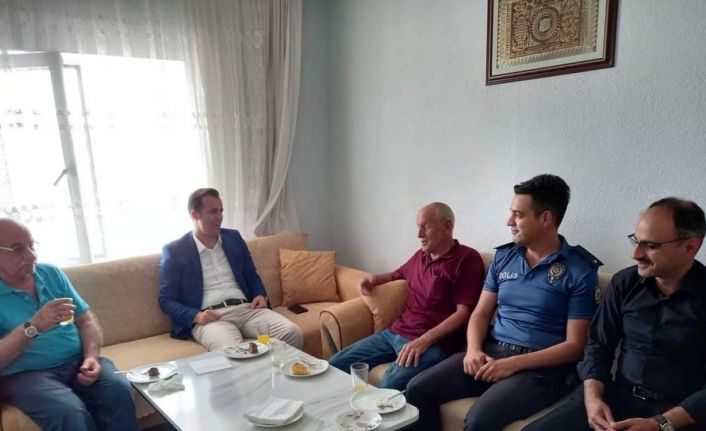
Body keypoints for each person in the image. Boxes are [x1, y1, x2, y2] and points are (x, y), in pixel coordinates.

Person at [406, 174, 601, 431]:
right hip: (492, 352)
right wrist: (473, 350)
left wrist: (512, 364)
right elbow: (480, 313)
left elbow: (575, 346)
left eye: (518, 215)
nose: (509, 221)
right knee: (417, 389)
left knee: (479, 419)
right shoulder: (504, 258)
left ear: (545, 218)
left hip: (539, 368)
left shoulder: (580, 270)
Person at [523, 198, 706, 431]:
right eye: (635, 241)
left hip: (679, 413)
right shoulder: (624, 283)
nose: (635, 254)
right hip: (616, 397)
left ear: (690, 246)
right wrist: (593, 398)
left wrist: (661, 424)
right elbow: (598, 345)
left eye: (650, 246)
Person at [328, 202, 486, 390]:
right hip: (395, 333)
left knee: (389, 384)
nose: (419, 234)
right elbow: (397, 274)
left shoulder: (467, 259)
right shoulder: (421, 255)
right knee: (335, 364)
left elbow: (463, 313)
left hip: (434, 344)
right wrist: (373, 279)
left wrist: (424, 340)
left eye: (425, 227)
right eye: (418, 227)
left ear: (447, 226)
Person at [0, 218, 138, 431]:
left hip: (77, 360)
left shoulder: (51, 274)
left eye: (32, 245)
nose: (32, 256)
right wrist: (34, 326)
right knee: (71, 414)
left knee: (118, 389)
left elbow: (86, 319)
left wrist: (91, 357)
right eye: (18, 249)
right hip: (27, 374)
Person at [159, 188, 302, 350]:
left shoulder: (233, 238)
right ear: (195, 215)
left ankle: (275, 367)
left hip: (247, 310)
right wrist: (196, 316)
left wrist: (260, 294)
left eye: (221, 211)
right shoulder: (175, 250)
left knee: (292, 333)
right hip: (212, 319)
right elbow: (166, 300)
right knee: (234, 352)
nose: (219, 217)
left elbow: (250, 274)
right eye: (213, 211)